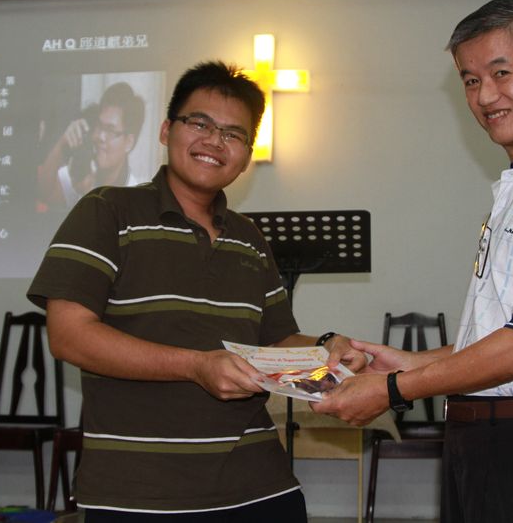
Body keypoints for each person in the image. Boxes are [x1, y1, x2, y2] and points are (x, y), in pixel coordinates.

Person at [313, 0, 513, 523]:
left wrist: (392, 389)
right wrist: (410, 362)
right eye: (470, 80)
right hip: (495, 446)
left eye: (501, 73)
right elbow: (507, 333)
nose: (485, 96)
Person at [27, 61, 364, 522]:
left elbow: (277, 341)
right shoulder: (106, 210)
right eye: (200, 124)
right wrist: (196, 366)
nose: (214, 141)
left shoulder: (249, 237)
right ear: (166, 130)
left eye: (233, 134)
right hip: (139, 493)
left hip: (261, 486)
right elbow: (68, 336)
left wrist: (327, 351)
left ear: (246, 154)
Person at [37, 81, 146, 210]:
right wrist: (62, 144)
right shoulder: (84, 171)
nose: (100, 136)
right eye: (99, 126)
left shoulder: (136, 199)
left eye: (110, 130)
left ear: (129, 142)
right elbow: (43, 192)